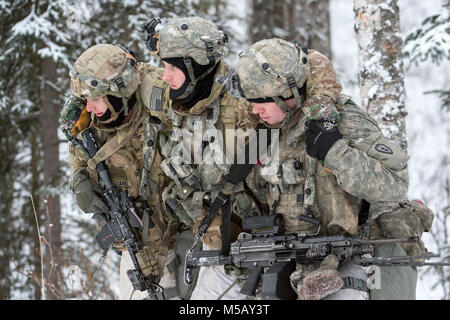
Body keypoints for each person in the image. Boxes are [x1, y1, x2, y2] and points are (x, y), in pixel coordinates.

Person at [230, 38, 432, 300]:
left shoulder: (343, 122)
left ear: (287, 95)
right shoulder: (266, 133)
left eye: (261, 101)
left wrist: (335, 152)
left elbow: (395, 184)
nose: (255, 111)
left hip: (357, 254)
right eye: (251, 102)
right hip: (293, 261)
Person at [141, 16, 262, 300]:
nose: (165, 75)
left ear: (196, 68)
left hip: (244, 244)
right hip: (195, 234)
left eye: (173, 67)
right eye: (164, 65)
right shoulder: (175, 98)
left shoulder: (246, 105)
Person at [63, 43, 180, 300]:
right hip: (134, 243)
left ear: (118, 91)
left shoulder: (164, 102)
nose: (90, 108)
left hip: (182, 236)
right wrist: (78, 180)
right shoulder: (87, 119)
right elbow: (78, 156)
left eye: (96, 100)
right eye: (86, 100)